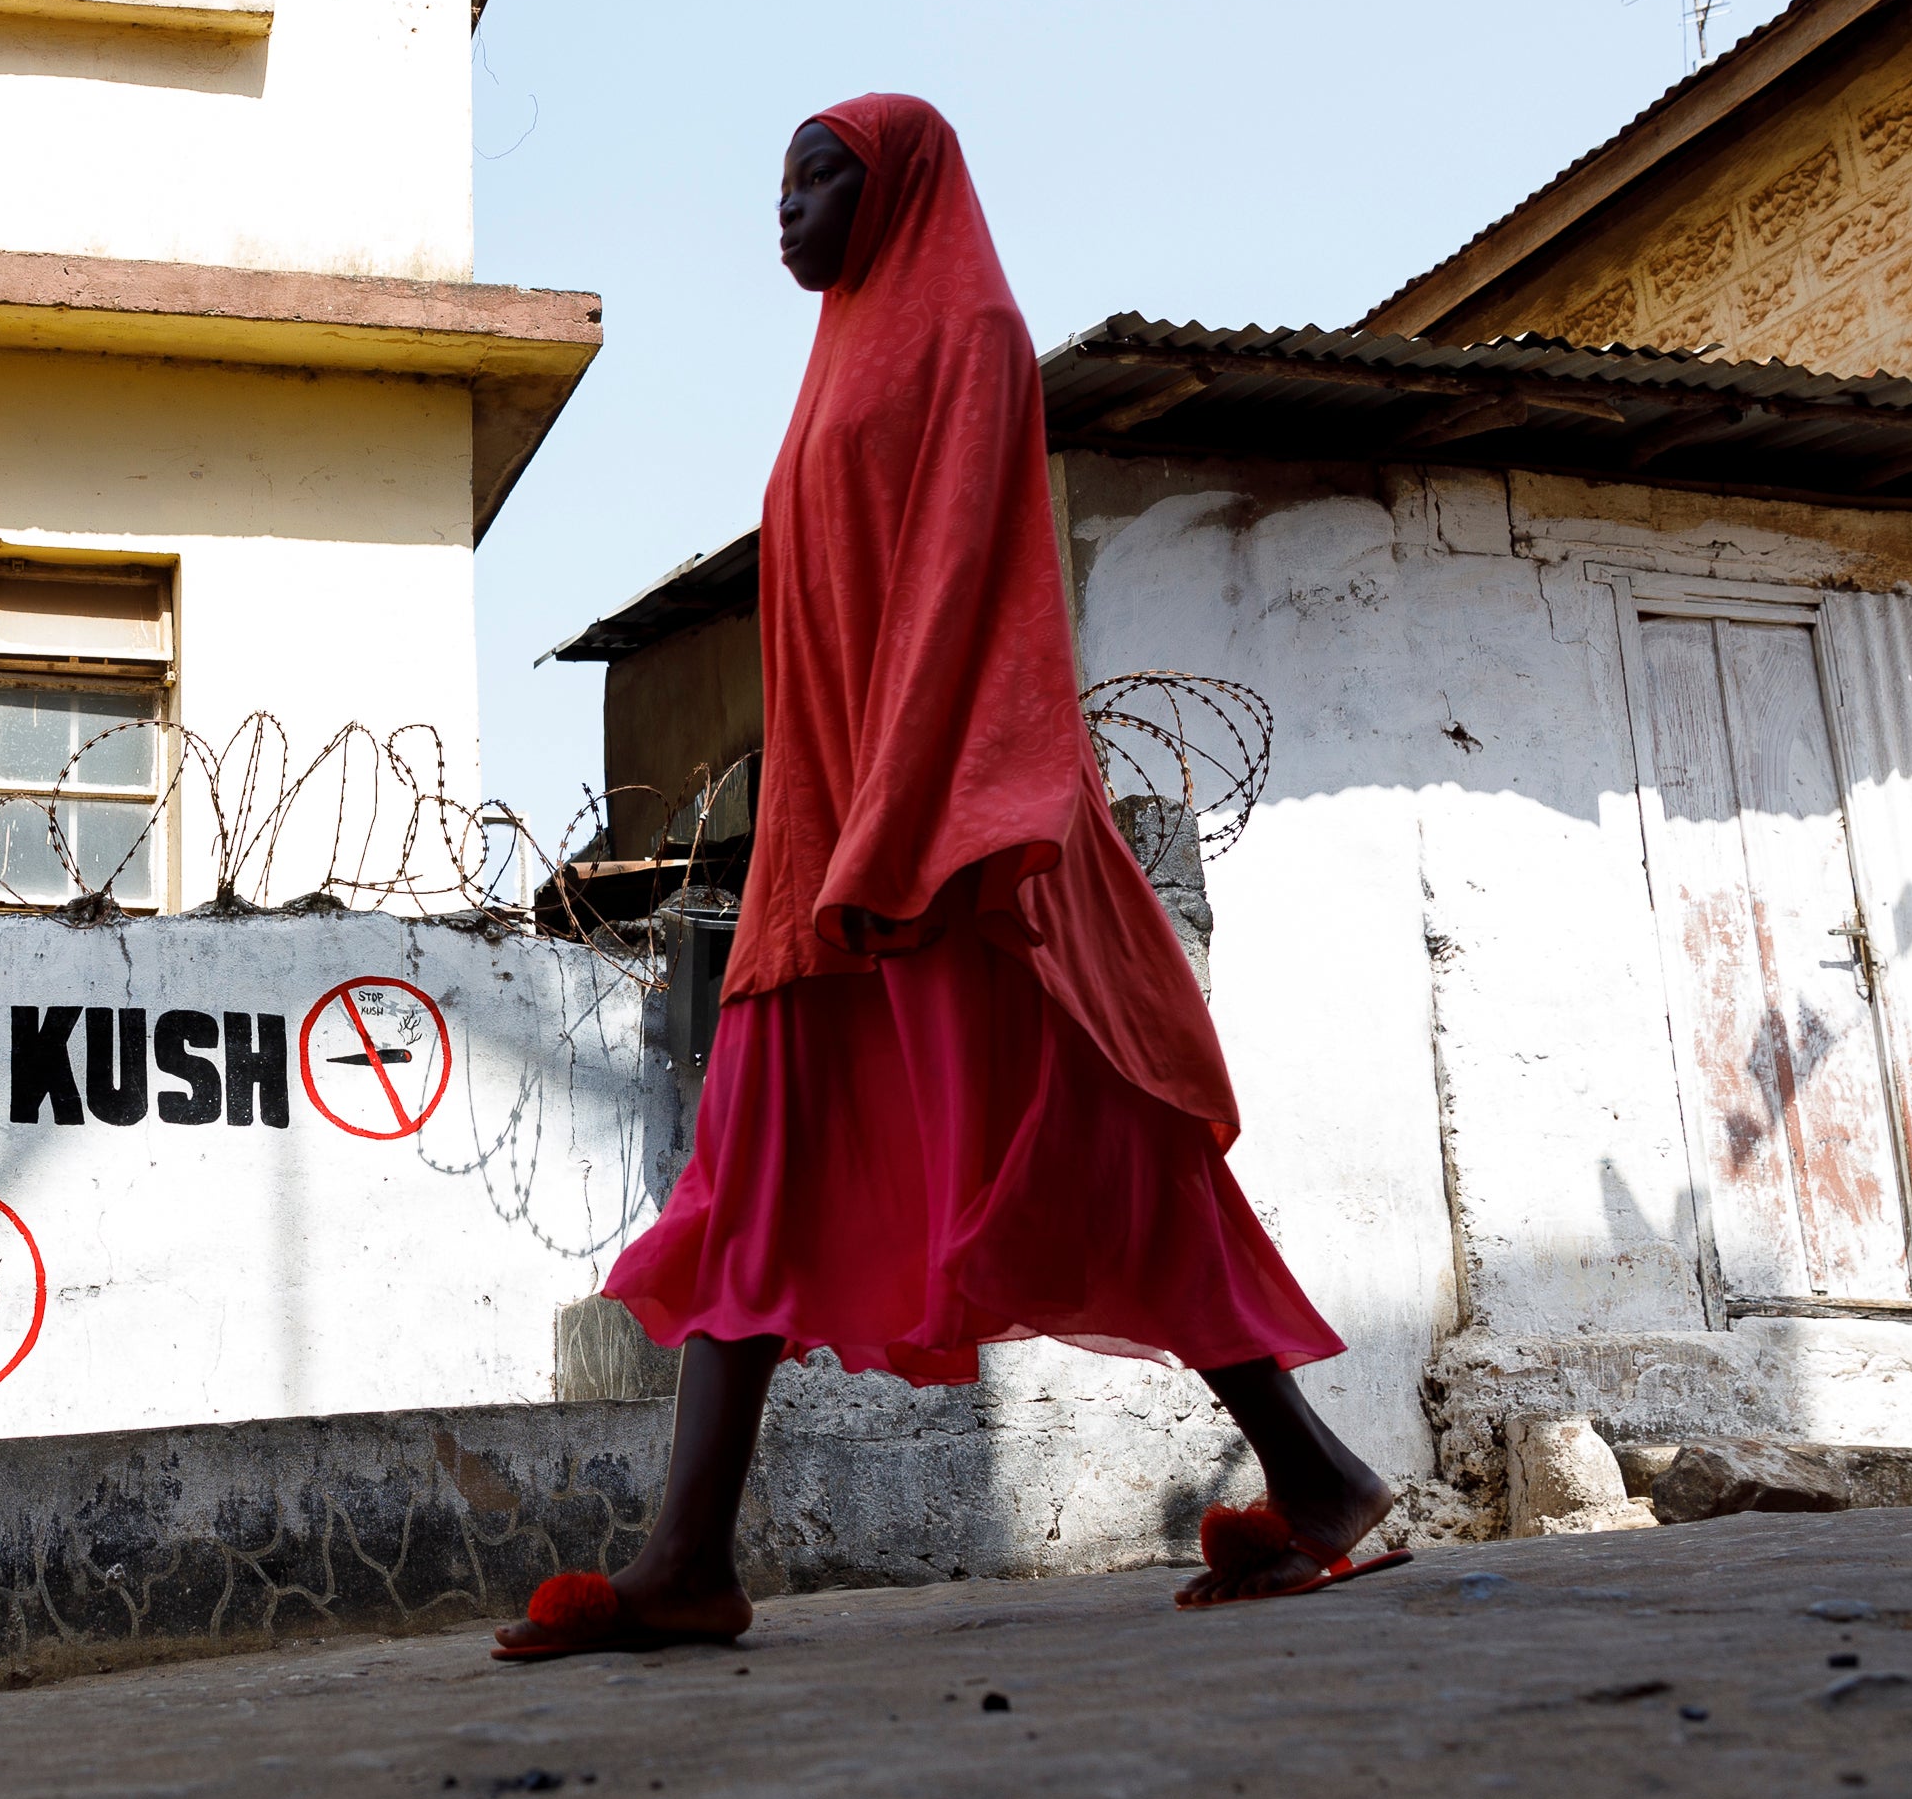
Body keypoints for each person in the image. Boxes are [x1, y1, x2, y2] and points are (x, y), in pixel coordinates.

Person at [497, 94, 1396, 1658]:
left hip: (948, 842)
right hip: (824, 848)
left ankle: (1315, 1471)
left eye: (819, 175)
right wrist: (825, 827)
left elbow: (972, 579)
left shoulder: (967, 331)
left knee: (1103, 1154)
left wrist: (907, 814)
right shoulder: (839, 352)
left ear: (902, 181)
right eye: (774, 181)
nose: (785, 208)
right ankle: (688, 1557)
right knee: (752, 1172)